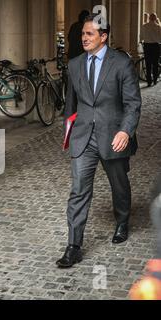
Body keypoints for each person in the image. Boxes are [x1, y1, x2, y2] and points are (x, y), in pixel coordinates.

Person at [57, 14, 142, 268]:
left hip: (114, 136)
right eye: (83, 34)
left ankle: (122, 221)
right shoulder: (74, 65)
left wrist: (125, 131)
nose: (84, 38)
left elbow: (132, 103)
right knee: (79, 190)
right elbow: (70, 105)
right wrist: (69, 133)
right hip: (84, 138)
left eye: (90, 34)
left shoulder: (121, 64)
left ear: (103, 37)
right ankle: (73, 245)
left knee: (119, 184)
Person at [140, 13, 161, 87]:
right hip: (155, 46)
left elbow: (141, 36)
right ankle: (155, 80)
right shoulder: (158, 27)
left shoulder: (144, 26)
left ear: (149, 18)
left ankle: (149, 81)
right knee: (155, 64)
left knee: (148, 64)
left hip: (147, 46)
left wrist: (142, 40)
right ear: (155, 18)